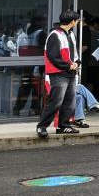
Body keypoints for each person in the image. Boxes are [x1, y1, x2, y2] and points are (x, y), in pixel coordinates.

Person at [37, 10, 81, 138]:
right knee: (55, 101)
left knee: (70, 102)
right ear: (72, 21)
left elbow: (75, 54)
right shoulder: (54, 35)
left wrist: (77, 63)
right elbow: (53, 56)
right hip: (58, 73)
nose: (77, 22)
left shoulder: (71, 34)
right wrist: (69, 65)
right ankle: (41, 126)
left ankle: (64, 126)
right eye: (77, 20)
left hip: (70, 72)